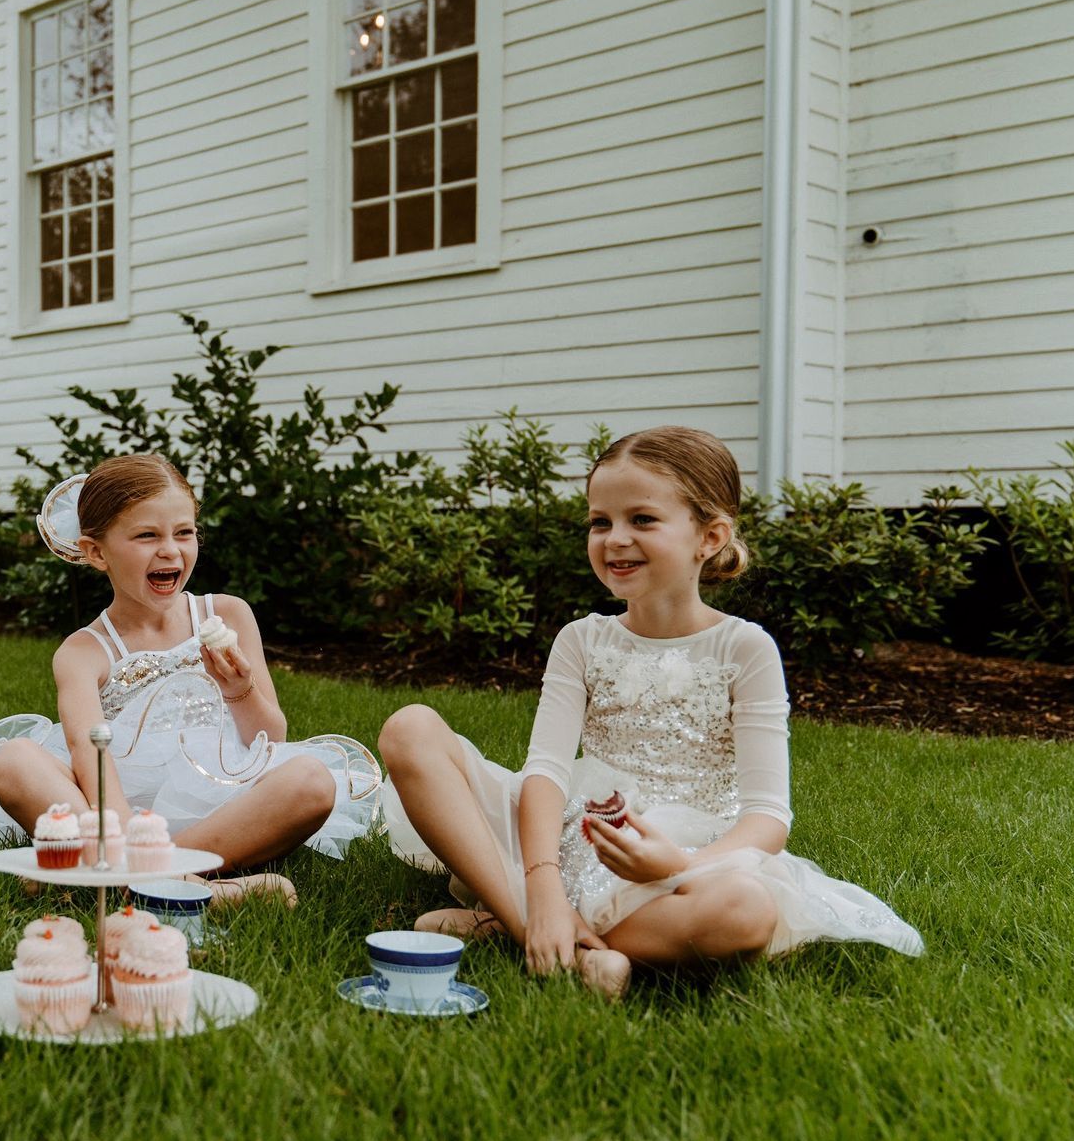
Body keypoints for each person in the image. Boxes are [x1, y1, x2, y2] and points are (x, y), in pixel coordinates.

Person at [377, 426, 923, 999]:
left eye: (642, 520)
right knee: (410, 728)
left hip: (684, 854)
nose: (615, 539)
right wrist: (541, 882)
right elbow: (546, 771)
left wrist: (677, 863)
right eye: (600, 521)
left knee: (745, 911)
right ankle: (539, 923)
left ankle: (516, 924)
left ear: (709, 536)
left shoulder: (746, 649)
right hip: (575, 832)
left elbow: (767, 818)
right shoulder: (582, 640)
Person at [0, 454, 380, 904]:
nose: (171, 550)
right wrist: (115, 823)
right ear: (97, 552)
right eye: (146, 536)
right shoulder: (83, 651)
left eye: (185, 532)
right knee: (14, 760)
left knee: (312, 780)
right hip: (113, 805)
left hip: (222, 805)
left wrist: (239, 689)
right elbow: (86, 750)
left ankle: (120, 877)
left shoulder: (227, 614)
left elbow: (269, 738)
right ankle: (194, 888)